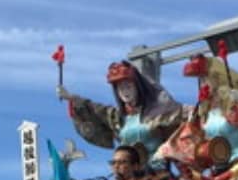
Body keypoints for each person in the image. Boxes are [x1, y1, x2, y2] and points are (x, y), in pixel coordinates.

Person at [57, 59, 185, 166]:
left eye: (128, 86)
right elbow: (95, 110)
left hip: (158, 173)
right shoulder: (117, 118)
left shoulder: (159, 113)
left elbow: (181, 125)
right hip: (129, 177)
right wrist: (71, 98)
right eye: (121, 88)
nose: (125, 92)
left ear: (138, 87)